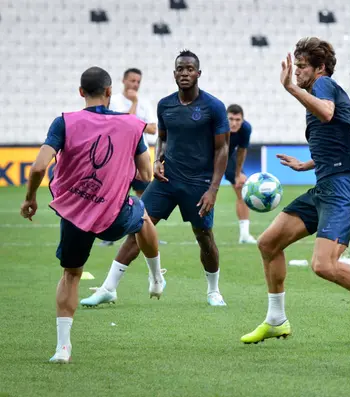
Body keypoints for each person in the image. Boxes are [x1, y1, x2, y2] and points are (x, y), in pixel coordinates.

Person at [240, 37, 350, 350]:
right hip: (325, 186)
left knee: (324, 265)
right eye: (297, 68)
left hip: (343, 190)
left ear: (319, 68)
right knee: (268, 243)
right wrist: (306, 164)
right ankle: (276, 320)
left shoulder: (324, 85)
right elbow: (341, 141)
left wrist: (292, 89)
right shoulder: (318, 92)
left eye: (302, 67)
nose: (297, 73)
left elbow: (329, 113)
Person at [20, 67, 164, 363]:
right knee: (144, 217)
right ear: (110, 92)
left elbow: (37, 167)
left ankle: (62, 349)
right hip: (113, 214)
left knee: (71, 275)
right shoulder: (131, 124)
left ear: (81, 92)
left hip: (74, 213)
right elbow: (145, 173)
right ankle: (155, 277)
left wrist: (31, 198)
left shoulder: (65, 122)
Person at [80, 50, 230, 307]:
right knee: (137, 226)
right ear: (174, 74)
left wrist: (213, 189)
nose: (185, 73)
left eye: (190, 69)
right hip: (166, 181)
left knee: (204, 236)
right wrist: (158, 160)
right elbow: (162, 138)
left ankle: (213, 291)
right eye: (180, 69)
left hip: (199, 184)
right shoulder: (165, 105)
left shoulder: (213, 107)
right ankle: (109, 288)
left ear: (198, 73)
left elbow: (222, 149)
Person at [99, 68, 165, 246]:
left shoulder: (145, 102)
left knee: (145, 195)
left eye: (138, 81)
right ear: (124, 81)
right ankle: (109, 234)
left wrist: (133, 119)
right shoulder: (114, 102)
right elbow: (123, 124)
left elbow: (152, 129)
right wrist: (134, 105)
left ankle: (148, 233)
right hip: (118, 155)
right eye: (132, 81)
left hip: (139, 155)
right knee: (116, 195)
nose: (135, 84)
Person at [224, 104, 257, 244]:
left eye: (238, 119)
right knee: (203, 193)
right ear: (225, 119)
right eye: (231, 119)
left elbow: (242, 151)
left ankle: (244, 235)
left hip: (228, 156)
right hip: (207, 157)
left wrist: (238, 174)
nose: (234, 123)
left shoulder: (245, 129)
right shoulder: (215, 126)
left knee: (242, 188)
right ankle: (201, 233)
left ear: (243, 120)